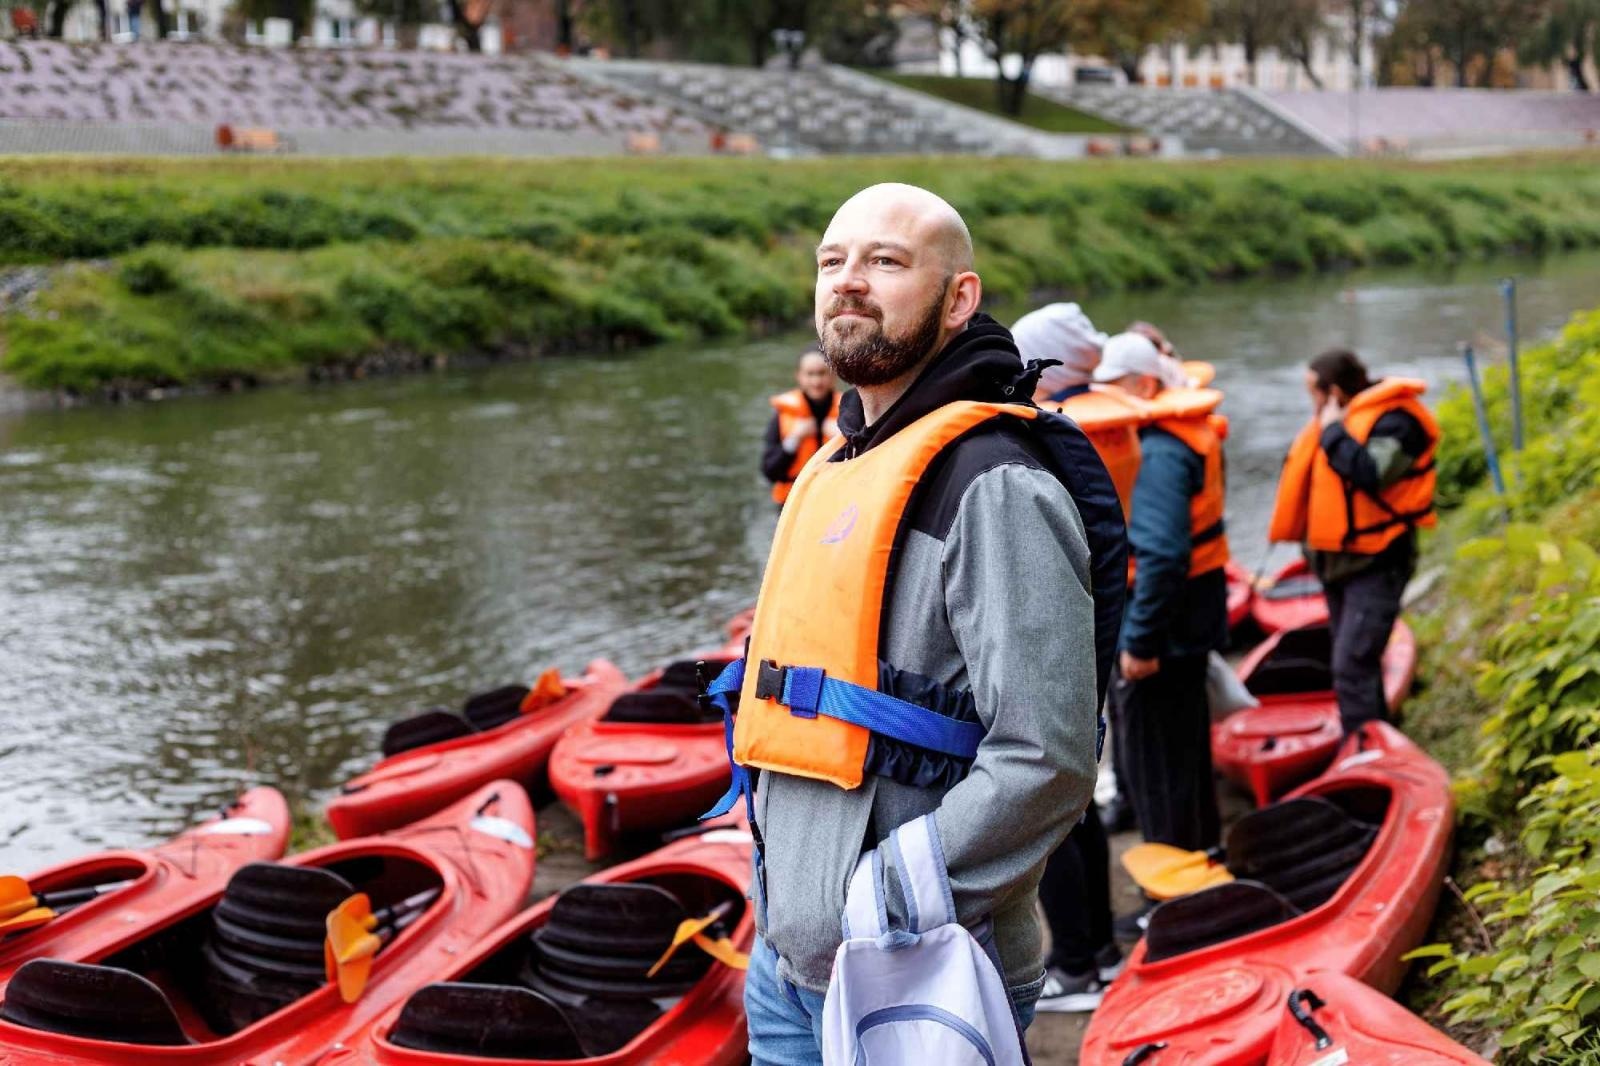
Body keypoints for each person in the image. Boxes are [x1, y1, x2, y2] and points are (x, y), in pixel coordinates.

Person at [726, 183, 1127, 1064]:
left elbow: (1048, 757)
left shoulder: (995, 485)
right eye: (833, 261)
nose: (849, 281)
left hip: (920, 960)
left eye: (886, 261)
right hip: (786, 964)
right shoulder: (838, 463)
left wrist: (888, 899)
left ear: (959, 299)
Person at [1012, 303, 1131, 1012]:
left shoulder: (1061, 431)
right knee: (1077, 804)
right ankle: (1101, 954)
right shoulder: (1099, 418)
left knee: (1050, 815)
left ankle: (1078, 965)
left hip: (1063, 649)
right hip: (1091, 641)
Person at [1095, 332, 1229, 912]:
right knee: (1184, 754)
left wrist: (1139, 641)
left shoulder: (1162, 449)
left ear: (1144, 385)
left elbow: (1164, 555)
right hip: (1189, 625)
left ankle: (1175, 901)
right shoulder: (1175, 435)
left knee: (1158, 768)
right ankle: (1205, 862)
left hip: (1165, 637)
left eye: (1116, 388)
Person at [1267, 349, 1438, 734]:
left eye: (1314, 392)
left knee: (1352, 664)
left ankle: (1363, 753)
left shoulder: (1396, 421)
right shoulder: (1339, 420)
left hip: (1377, 562)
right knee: (1355, 661)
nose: (1310, 402)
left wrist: (1331, 432)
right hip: (1336, 564)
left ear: (1335, 393)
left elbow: (1372, 472)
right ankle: (1376, 735)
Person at [760, 350, 840, 509]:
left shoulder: (849, 413)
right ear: (799, 376)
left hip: (834, 501)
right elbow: (769, 471)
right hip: (792, 503)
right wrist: (793, 439)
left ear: (833, 375)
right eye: (810, 374)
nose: (816, 381)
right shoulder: (782, 415)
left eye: (822, 373)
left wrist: (845, 438)